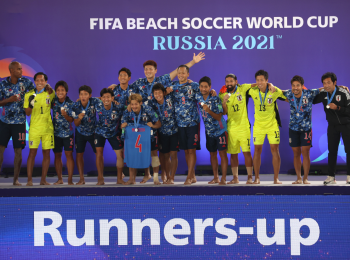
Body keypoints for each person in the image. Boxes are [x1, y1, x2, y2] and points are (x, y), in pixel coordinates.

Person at [109, 53, 205, 183]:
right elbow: (126, 89)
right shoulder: (139, 83)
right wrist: (115, 86)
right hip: (149, 123)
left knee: (170, 152)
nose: (148, 71)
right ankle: (159, 176)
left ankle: (175, 176)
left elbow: (179, 71)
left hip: (169, 124)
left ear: (156, 70)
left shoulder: (162, 80)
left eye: (151, 69)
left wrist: (193, 62)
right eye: (146, 69)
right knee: (159, 152)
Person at [247, 70, 287, 184]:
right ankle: (257, 178)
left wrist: (271, 85)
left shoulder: (274, 91)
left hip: (272, 125)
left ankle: (276, 178)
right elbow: (241, 87)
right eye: (257, 80)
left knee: (275, 150)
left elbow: (287, 96)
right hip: (258, 126)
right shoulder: (252, 90)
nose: (259, 82)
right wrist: (269, 84)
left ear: (266, 80)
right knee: (257, 151)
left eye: (262, 80)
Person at [0, 61, 35, 185]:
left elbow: (36, 93)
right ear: (12, 71)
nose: (21, 71)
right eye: (19, 69)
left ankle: (15, 179)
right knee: (0, 150)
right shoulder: (3, 84)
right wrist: (9, 100)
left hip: (20, 123)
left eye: (21, 69)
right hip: (4, 122)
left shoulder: (26, 83)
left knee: (18, 151)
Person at [313, 72, 350, 185]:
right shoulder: (323, 92)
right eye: (324, 83)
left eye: (329, 83)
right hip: (332, 126)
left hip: (346, 125)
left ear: (335, 82)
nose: (326, 85)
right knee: (332, 151)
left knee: (349, 150)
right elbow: (313, 100)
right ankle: (331, 177)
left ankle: (349, 176)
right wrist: (319, 89)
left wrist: (338, 107)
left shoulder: (344, 92)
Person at [283, 76, 321, 184]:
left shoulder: (309, 93)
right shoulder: (289, 93)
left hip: (306, 129)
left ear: (302, 86)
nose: (295, 88)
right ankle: (298, 178)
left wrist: (340, 87)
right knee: (296, 153)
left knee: (305, 153)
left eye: (297, 85)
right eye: (293, 85)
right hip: (293, 128)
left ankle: (305, 178)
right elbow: (277, 91)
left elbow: (323, 89)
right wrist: (270, 85)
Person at [219, 74, 255, 184]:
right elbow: (224, 113)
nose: (229, 83)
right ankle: (235, 178)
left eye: (231, 81)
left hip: (244, 127)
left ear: (236, 81)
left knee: (246, 153)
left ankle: (250, 177)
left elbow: (257, 84)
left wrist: (270, 84)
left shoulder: (242, 88)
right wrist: (224, 102)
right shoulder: (222, 94)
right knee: (233, 154)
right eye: (227, 81)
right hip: (231, 128)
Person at [121, 93, 162, 185]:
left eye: (136, 104)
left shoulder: (148, 109)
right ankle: (132, 179)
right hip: (134, 138)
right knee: (132, 155)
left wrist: (153, 125)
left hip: (149, 137)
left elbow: (159, 124)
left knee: (153, 154)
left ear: (140, 103)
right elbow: (122, 125)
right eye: (132, 104)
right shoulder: (127, 111)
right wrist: (123, 126)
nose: (134, 106)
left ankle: (155, 178)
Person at [24, 72, 55, 186]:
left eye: (42, 80)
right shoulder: (29, 94)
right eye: (37, 80)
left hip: (47, 129)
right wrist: (31, 104)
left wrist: (50, 88)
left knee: (46, 154)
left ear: (46, 82)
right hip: (34, 129)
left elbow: (54, 100)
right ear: (34, 81)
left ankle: (43, 180)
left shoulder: (50, 93)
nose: (40, 82)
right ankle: (29, 180)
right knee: (32, 153)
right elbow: (27, 113)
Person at [196, 76, 228, 185]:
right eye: (201, 86)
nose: (203, 89)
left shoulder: (216, 98)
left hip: (220, 131)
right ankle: (216, 178)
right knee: (212, 155)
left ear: (210, 87)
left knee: (222, 154)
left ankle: (223, 178)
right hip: (209, 132)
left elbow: (219, 117)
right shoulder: (198, 96)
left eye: (206, 87)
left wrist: (208, 110)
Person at [147, 83, 178, 184]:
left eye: (159, 92)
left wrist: (189, 81)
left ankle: (172, 178)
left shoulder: (170, 97)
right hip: (162, 132)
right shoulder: (151, 103)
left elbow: (180, 87)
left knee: (173, 154)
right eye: (155, 93)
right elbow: (139, 104)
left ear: (164, 93)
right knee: (165, 156)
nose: (158, 95)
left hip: (174, 131)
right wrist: (129, 105)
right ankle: (167, 176)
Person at [95, 88, 125, 185]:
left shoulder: (119, 107)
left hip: (114, 133)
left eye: (108, 97)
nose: (106, 99)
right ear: (101, 98)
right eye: (103, 97)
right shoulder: (97, 104)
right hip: (100, 132)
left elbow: (129, 108)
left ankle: (119, 178)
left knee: (120, 155)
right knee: (99, 154)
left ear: (112, 98)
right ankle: (100, 178)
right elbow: (86, 99)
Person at [72, 85, 101, 185]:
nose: (83, 96)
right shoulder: (76, 106)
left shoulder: (94, 101)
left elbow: (103, 98)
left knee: (98, 154)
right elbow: (76, 124)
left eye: (85, 94)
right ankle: (81, 179)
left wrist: (113, 100)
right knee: (79, 155)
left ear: (90, 96)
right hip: (80, 132)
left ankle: (100, 178)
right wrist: (79, 118)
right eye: (81, 94)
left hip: (93, 132)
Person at [52, 81, 75, 185]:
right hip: (56, 133)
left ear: (66, 91)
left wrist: (65, 115)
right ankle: (60, 179)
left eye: (62, 90)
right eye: (58, 90)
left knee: (69, 155)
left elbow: (72, 120)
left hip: (68, 134)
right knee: (57, 155)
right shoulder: (53, 101)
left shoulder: (70, 103)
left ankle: (70, 179)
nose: (60, 92)